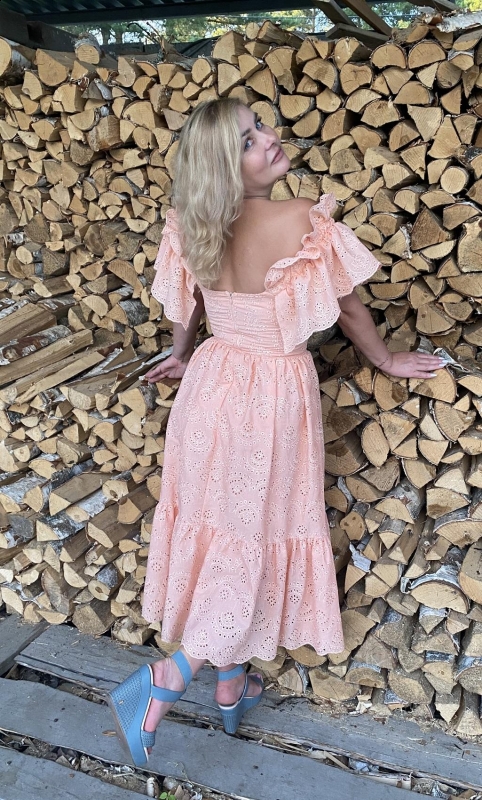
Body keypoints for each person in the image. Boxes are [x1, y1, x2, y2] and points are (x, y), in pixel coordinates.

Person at [107, 99, 445, 767]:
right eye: (247, 140)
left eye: (260, 125)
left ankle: (231, 684)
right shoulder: (301, 219)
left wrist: (181, 352)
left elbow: (188, 303)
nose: (269, 138)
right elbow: (348, 308)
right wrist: (384, 360)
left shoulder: (193, 222)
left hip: (211, 383)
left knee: (227, 530)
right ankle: (168, 677)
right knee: (253, 534)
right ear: (222, 167)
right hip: (270, 395)